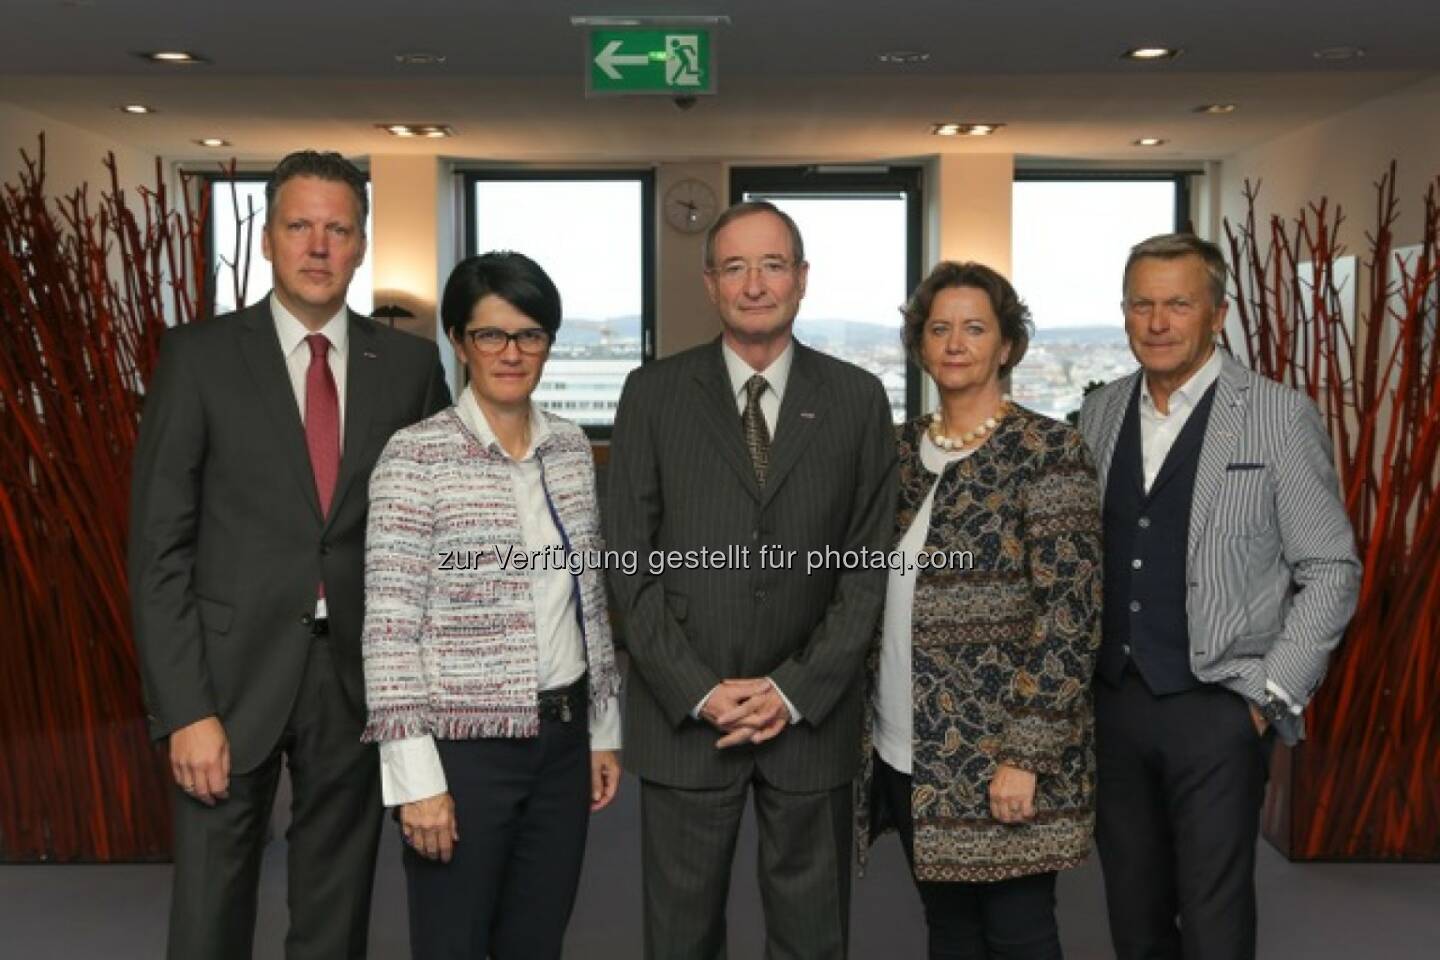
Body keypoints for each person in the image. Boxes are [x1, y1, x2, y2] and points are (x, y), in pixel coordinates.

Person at [129, 150, 450, 959]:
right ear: (269, 240)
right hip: (226, 680)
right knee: (210, 910)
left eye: (337, 228)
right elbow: (159, 549)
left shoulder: (409, 368)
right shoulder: (197, 357)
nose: (318, 245)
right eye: (299, 226)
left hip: (355, 675)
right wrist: (185, 710)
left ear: (361, 242)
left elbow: (438, 535)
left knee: (335, 909)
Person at [606, 201, 897, 959]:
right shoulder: (653, 394)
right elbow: (628, 561)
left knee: (812, 941)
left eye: (772, 265)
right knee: (679, 938)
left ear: (801, 279)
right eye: (735, 266)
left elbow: (868, 568)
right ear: (710, 284)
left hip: (811, 721)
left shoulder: (858, 399)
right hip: (685, 720)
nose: (755, 284)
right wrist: (698, 689)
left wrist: (796, 688)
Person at [1078, 233, 1362, 959]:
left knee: (1214, 922)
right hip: (1114, 705)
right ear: (1124, 313)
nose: (1158, 322)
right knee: (1134, 917)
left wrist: (1269, 696)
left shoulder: (1275, 414)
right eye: (1141, 304)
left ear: (1218, 314)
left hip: (1220, 707)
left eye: (1178, 303)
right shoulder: (1102, 412)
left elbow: (1330, 567)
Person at [360, 251, 622, 959]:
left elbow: (588, 601)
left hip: (563, 744)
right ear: (457, 340)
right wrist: (416, 782)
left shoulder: (569, 446)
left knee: (537, 940)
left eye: (530, 335)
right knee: (454, 942)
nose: (512, 353)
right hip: (464, 752)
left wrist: (602, 729)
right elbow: (389, 630)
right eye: (491, 335)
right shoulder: (416, 457)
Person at [856, 261, 1102, 960]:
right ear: (920, 345)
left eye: (975, 327)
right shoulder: (898, 451)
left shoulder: (1048, 450)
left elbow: (1071, 616)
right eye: (940, 328)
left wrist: (1025, 755)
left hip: (1001, 752)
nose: (956, 342)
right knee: (951, 931)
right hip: (908, 750)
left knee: (1019, 933)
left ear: (1007, 345)